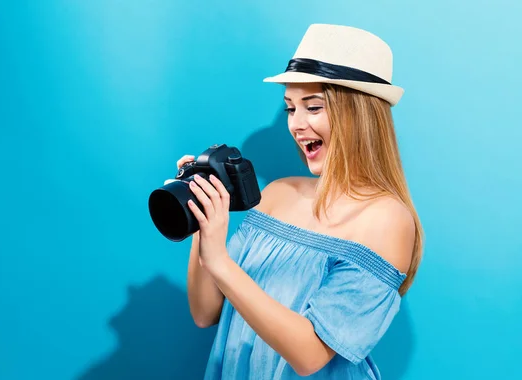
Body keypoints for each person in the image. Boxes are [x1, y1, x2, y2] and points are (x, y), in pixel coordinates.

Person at [181, 24, 423, 379]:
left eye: (313, 107)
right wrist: (202, 217)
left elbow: (310, 356)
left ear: (358, 116)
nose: (296, 124)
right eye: (291, 108)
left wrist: (220, 261)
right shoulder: (278, 193)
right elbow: (205, 313)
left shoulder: (388, 220)